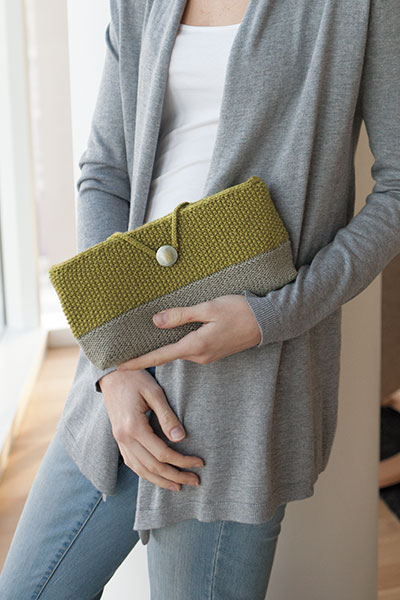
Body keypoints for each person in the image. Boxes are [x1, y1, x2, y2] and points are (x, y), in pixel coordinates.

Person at [1, 0, 400, 597]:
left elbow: (396, 191)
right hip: (124, 358)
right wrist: (112, 365)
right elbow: (105, 170)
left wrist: (270, 316)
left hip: (248, 386)